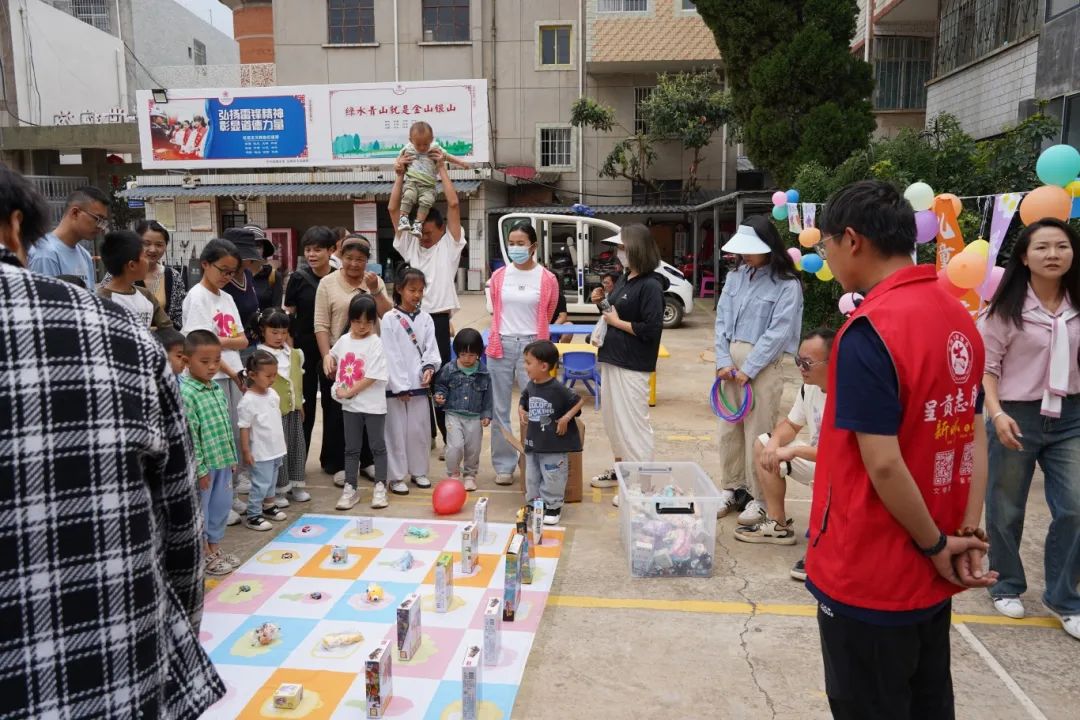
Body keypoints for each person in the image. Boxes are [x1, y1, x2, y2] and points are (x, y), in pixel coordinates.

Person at [0, 165, 224, 717]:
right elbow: (179, 521)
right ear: (15, 227)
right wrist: (178, 641)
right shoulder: (116, 335)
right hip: (112, 662)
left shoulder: (126, 313)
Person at [807, 180, 997, 718]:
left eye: (828, 245)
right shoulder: (958, 316)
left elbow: (884, 463)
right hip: (934, 564)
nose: (828, 257)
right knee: (927, 700)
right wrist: (966, 533)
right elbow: (973, 433)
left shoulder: (870, 330)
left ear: (852, 240)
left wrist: (936, 545)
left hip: (873, 568)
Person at [978, 217, 1080, 639]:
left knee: (1075, 506)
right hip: (1016, 414)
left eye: (1062, 246)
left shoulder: (1077, 306)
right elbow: (987, 368)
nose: (1053, 254)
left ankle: (1064, 597)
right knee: (1006, 507)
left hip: (1071, 416)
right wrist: (997, 413)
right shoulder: (1005, 309)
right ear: (1024, 256)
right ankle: (1005, 583)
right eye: (1042, 247)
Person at [713, 217, 804, 518]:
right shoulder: (735, 277)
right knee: (728, 429)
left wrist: (749, 368)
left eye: (751, 250)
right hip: (729, 364)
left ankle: (760, 498)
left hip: (763, 365)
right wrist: (723, 361)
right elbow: (721, 320)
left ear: (769, 246)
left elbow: (779, 331)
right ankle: (731, 487)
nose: (745, 256)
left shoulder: (787, 285)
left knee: (759, 431)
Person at [734, 328, 834, 581]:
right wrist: (775, 443)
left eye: (807, 363)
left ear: (833, 361)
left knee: (830, 476)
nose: (800, 367)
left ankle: (825, 548)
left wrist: (794, 450)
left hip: (842, 470)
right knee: (763, 444)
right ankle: (778, 524)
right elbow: (790, 425)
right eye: (798, 360)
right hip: (818, 461)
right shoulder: (809, 388)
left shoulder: (848, 396)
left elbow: (840, 454)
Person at [390, 147, 465, 448]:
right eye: (421, 232)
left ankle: (448, 437)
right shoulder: (411, 243)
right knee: (415, 378)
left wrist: (442, 168)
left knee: (440, 380)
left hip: (438, 320)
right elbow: (393, 211)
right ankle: (427, 435)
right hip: (411, 320)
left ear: (442, 229)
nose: (424, 237)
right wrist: (399, 176)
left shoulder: (449, 246)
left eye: (429, 232)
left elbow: (454, 203)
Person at [587, 225, 666, 507]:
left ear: (637, 249)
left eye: (623, 248)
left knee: (634, 426)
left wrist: (618, 322)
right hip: (612, 358)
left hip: (633, 364)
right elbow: (613, 313)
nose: (619, 253)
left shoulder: (651, 285)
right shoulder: (625, 278)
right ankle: (622, 472)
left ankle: (642, 486)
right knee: (614, 423)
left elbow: (651, 329)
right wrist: (601, 303)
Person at [181, 238, 249, 525]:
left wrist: (221, 342)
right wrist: (231, 366)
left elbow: (243, 340)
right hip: (213, 378)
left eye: (232, 273)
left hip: (232, 374)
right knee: (213, 442)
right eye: (223, 270)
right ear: (205, 264)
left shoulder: (227, 298)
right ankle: (218, 503)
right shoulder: (196, 297)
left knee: (232, 436)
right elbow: (202, 348)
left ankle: (230, 496)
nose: (227, 277)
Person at [314, 234, 393, 484]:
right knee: (338, 412)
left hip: (369, 358)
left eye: (360, 259)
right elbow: (321, 324)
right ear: (341, 257)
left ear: (367, 261)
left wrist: (375, 290)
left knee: (368, 409)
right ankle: (338, 463)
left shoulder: (374, 281)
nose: (354, 264)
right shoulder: (327, 283)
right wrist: (327, 356)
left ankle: (367, 461)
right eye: (349, 258)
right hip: (339, 357)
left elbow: (388, 316)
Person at [486, 222, 560, 485]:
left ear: (533, 246)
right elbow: (495, 309)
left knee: (536, 408)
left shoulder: (547, 278)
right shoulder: (499, 277)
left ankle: (534, 462)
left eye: (520, 243)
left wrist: (536, 343)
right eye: (511, 243)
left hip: (533, 347)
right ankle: (504, 465)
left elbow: (548, 312)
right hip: (501, 345)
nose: (515, 248)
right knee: (500, 408)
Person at [180, 329, 241, 576]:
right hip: (205, 468)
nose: (212, 367)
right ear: (187, 360)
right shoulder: (187, 393)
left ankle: (215, 548)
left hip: (222, 462)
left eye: (216, 361)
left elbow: (226, 425)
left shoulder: (215, 388)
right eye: (204, 362)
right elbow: (191, 437)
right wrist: (201, 469)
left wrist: (232, 457)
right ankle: (203, 553)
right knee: (202, 512)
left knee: (221, 507)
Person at [381, 267, 442, 495]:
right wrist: (400, 387)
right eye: (412, 290)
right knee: (395, 432)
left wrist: (429, 368)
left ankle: (419, 471)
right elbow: (390, 354)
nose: (417, 295)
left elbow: (431, 348)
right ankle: (396, 476)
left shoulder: (426, 319)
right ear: (399, 289)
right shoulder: (389, 318)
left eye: (420, 290)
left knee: (419, 430)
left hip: (420, 385)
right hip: (395, 388)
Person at [329, 294, 390, 510]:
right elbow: (332, 354)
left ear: (374, 321)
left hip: (373, 406)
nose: (362, 326)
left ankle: (380, 487)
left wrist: (349, 392)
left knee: (377, 447)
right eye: (357, 321)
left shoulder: (376, 343)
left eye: (367, 322)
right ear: (350, 319)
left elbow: (372, 376)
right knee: (351, 449)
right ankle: (350, 488)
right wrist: (328, 358)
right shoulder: (345, 340)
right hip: (351, 407)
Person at [519, 340, 584, 526]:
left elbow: (579, 401)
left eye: (528, 363)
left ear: (544, 366)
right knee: (532, 476)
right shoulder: (531, 385)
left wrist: (566, 418)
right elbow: (523, 399)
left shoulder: (558, 388)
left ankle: (553, 506)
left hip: (554, 445)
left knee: (553, 476)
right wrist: (520, 409)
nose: (525, 367)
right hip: (534, 443)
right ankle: (534, 504)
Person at [286, 226, 338, 455]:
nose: (311, 254)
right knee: (304, 403)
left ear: (331, 250)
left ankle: (331, 460)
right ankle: (300, 460)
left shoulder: (338, 277)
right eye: (307, 250)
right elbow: (289, 316)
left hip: (332, 349)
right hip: (304, 349)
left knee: (332, 402)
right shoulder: (297, 278)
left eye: (317, 249)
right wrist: (290, 352)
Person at [254, 307, 309, 505]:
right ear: (263, 331)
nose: (279, 337)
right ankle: (278, 489)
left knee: (297, 447)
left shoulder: (294, 354)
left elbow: (296, 381)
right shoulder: (259, 356)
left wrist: (300, 404)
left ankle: (296, 485)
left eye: (284, 332)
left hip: (292, 411)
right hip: (273, 414)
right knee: (278, 451)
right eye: (274, 332)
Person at [433, 328, 493, 491]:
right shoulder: (449, 369)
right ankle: (453, 474)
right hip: (453, 415)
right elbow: (440, 386)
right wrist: (439, 396)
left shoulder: (484, 372)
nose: (467, 359)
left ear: (479, 354)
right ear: (457, 353)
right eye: (463, 354)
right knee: (455, 446)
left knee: (473, 449)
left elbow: (488, 395)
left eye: (472, 355)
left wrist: (487, 413)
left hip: (474, 417)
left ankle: (470, 475)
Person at [236, 350, 289, 531]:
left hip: (275, 449)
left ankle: (269, 506)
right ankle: (253, 515)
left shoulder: (272, 394)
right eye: (268, 376)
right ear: (252, 375)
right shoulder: (248, 401)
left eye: (275, 375)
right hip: (260, 452)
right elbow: (244, 428)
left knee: (272, 481)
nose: (272, 379)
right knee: (260, 483)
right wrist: (246, 451)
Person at [394, 120, 470, 237]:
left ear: (431, 139)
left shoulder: (434, 148)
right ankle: (403, 218)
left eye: (426, 144)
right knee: (408, 196)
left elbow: (447, 156)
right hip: (412, 182)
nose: (422, 147)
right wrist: (398, 166)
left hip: (428, 186)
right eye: (418, 144)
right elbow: (398, 161)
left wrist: (461, 162)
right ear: (411, 140)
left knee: (427, 201)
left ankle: (418, 224)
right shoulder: (407, 149)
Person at [28, 185, 110, 289]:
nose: (100, 227)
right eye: (98, 219)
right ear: (75, 213)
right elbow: (47, 297)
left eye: (103, 222)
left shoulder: (85, 255)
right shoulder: (45, 254)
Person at [97, 229, 174, 330]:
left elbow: (168, 329)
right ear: (132, 265)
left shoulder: (146, 295)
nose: (148, 262)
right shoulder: (100, 302)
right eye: (145, 257)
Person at [136, 220, 186, 327]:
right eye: (146, 244)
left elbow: (179, 315)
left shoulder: (174, 276)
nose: (153, 250)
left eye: (159, 245)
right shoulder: (120, 272)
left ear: (165, 246)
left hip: (166, 336)